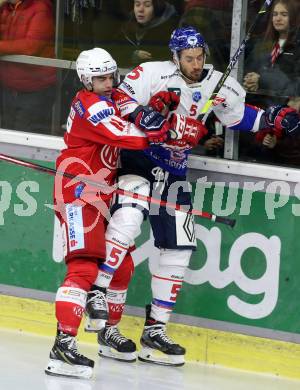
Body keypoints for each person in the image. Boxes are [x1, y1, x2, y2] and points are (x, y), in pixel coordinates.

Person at [86, 26, 300, 367]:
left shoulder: (218, 82)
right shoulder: (152, 73)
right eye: (189, 58)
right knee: (127, 221)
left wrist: (272, 118)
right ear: (176, 56)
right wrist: (147, 115)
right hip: (139, 161)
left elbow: (239, 117)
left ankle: (155, 331)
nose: (196, 64)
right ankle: (96, 293)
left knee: (179, 249)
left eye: (200, 57)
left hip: (174, 172)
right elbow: (118, 99)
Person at [44, 47, 178, 379]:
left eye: (110, 76)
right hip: (78, 192)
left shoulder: (111, 95)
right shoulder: (90, 106)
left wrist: (153, 110)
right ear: (86, 80)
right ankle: (63, 345)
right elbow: (127, 136)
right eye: (100, 78)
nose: (108, 83)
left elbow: (130, 109)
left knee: (122, 265)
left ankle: (106, 333)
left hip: (102, 191)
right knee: (84, 268)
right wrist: (158, 131)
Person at [0, 0, 57, 134]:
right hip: (8, 86)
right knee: (7, 133)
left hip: (35, 89)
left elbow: (31, 46)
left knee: (25, 135)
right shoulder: (6, 8)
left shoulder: (40, 7)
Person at [243, 0, 300, 107]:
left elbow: (295, 84)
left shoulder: (297, 47)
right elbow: (249, 69)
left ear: (294, 17)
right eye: (275, 14)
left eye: (284, 15)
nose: (278, 18)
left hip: (284, 110)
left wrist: (262, 79)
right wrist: (249, 80)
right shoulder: (264, 43)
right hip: (259, 106)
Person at [112, 0, 178, 67]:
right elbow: (113, 53)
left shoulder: (170, 31)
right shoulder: (126, 27)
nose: (140, 10)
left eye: (147, 5)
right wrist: (131, 55)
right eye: (137, 5)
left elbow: (169, 57)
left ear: (157, 8)